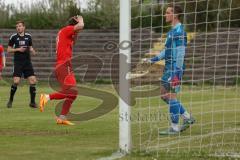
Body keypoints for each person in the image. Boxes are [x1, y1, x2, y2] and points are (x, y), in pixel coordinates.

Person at [144, 4, 195, 135]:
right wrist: (153, 60)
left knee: (170, 96)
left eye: (168, 12)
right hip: (169, 68)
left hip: (174, 69)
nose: (165, 15)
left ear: (175, 15)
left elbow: (181, 54)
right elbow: (166, 51)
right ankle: (187, 117)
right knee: (164, 95)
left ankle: (174, 127)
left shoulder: (179, 32)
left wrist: (177, 72)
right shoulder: (171, 32)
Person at [39, 16, 84, 125]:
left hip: (64, 65)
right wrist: (81, 20)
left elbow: (74, 42)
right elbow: (81, 25)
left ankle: (62, 118)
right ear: (74, 25)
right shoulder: (67, 29)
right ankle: (46, 97)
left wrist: (76, 33)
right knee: (71, 92)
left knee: (73, 94)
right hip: (63, 65)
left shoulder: (65, 33)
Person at [7, 20, 37, 108]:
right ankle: (11, 100)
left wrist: (32, 50)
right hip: (18, 62)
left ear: (24, 27)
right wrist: (18, 49)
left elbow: (30, 47)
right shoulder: (13, 37)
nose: (18, 28)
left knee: (33, 81)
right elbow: (8, 50)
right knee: (16, 81)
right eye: (17, 26)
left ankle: (32, 102)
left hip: (27, 62)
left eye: (20, 26)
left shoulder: (28, 36)